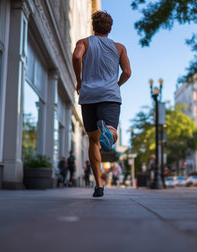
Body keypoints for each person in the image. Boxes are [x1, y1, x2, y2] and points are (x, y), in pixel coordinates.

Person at [72, 11, 131, 197]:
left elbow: (76, 57)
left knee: (93, 140)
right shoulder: (119, 47)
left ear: (93, 26)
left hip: (89, 95)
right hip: (110, 95)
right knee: (112, 130)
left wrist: (79, 80)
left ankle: (98, 185)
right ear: (110, 28)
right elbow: (127, 72)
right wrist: (117, 84)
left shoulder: (84, 42)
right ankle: (110, 133)